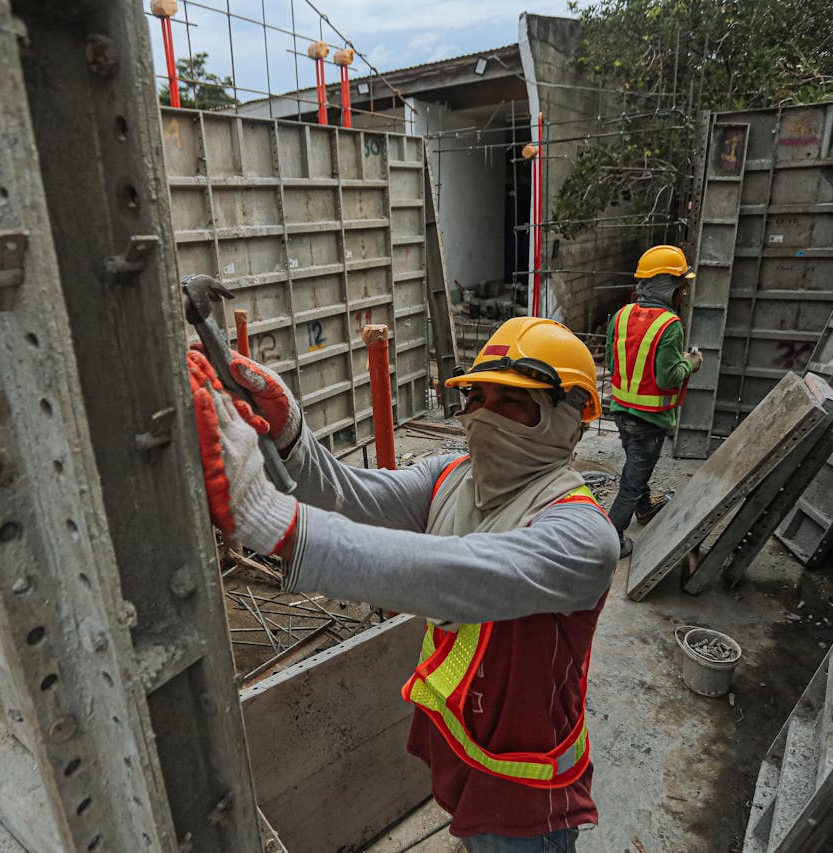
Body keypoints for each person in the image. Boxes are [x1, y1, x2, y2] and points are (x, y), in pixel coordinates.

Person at [187, 316, 619, 852]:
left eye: (512, 401)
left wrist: (272, 520)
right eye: (477, 398)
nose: (485, 416)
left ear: (568, 419)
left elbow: (459, 577)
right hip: (463, 754)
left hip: (529, 795)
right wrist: (290, 433)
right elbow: (351, 495)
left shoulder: (582, 535)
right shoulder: (452, 477)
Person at [605, 244, 704, 558]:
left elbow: (611, 360)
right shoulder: (669, 326)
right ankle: (611, 538)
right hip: (649, 420)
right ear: (667, 287)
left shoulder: (620, 317)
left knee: (637, 467)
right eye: (681, 287)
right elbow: (667, 378)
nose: (684, 294)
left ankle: (645, 509)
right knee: (632, 481)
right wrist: (691, 363)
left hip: (621, 411)